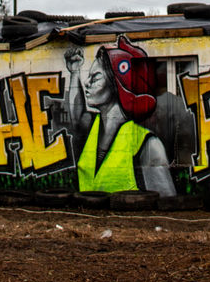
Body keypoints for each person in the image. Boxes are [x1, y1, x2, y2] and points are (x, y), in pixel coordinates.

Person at [64, 36, 176, 196]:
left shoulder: (147, 145)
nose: (87, 83)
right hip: (89, 218)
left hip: (128, 219)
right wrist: (74, 72)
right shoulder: (93, 127)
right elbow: (77, 116)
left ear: (117, 85)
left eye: (95, 77)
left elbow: (166, 200)